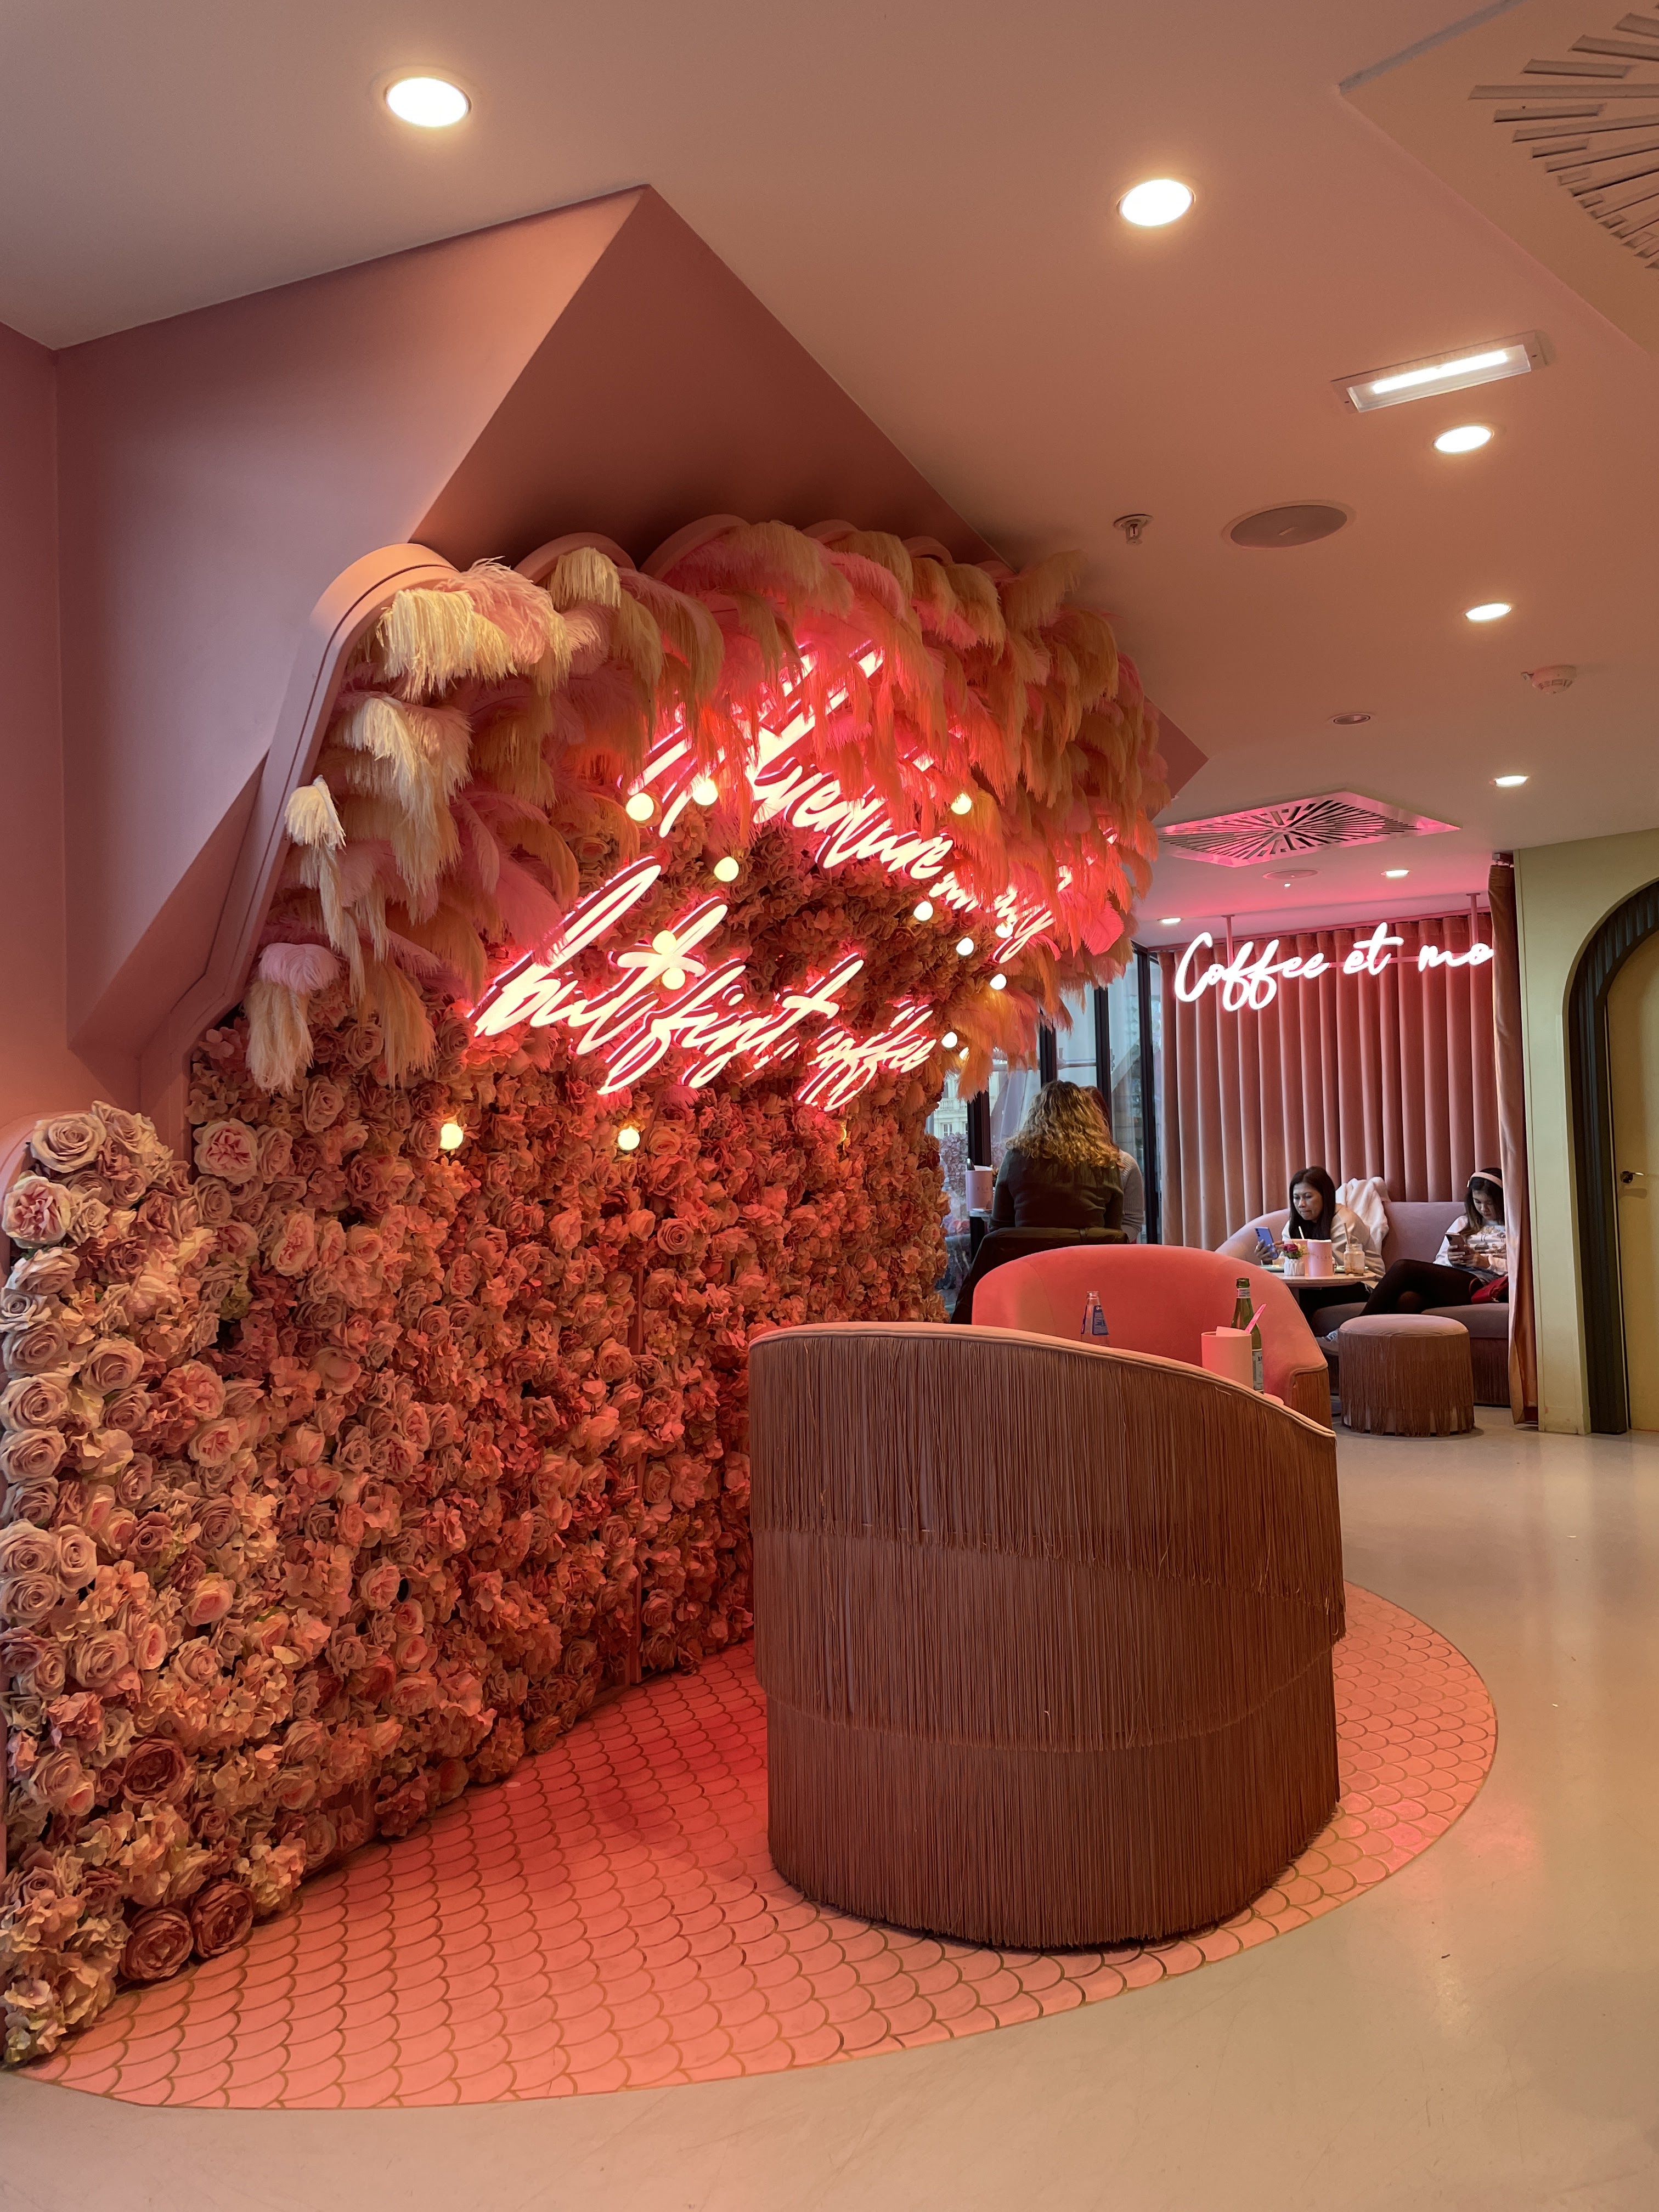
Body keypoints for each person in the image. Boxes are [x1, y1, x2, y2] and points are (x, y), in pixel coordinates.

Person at [1364, 1169, 1507, 1315]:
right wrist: (1451, 1259)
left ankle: (1358, 1324)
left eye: (1490, 1203)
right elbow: (1439, 1263)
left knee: (1403, 1267)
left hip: (1483, 1285)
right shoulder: (1463, 1223)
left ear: (1503, 1200)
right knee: (1407, 1300)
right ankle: (1373, 1329)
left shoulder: (1514, 1228)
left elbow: (1520, 1270)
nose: (1483, 1209)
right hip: (1455, 1280)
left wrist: (1486, 1262)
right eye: (1478, 1202)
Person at [990, 1080, 1125, 1232]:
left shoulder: (1016, 1158)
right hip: (1088, 1248)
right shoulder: (1105, 1161)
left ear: (1036, 1115)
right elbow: (1114, 1231)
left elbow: (999, 1229)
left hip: (1031, 1248)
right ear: (1088, 1116)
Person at [1279, 1166, 1384, 1316]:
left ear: (1325, 1196)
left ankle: (1302, 1332)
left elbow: (1337, 1267)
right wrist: (1273, 1257)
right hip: (1318, 1285)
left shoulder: (1345, 1222)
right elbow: (1287, 1263)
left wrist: (1299, 1254)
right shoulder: (1295, 1223)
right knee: (1282, 1292)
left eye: (1308, 1197)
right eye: (1296, 1198)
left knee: (1303, 1297)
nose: (1301, 1204)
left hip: (1364, 1284)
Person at [1085, 1085, 1145, 1239]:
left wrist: (1112, 1245)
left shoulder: (1125, 1164)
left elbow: (1133, 1221)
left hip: (1112, 1247)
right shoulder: (1060, 1166)